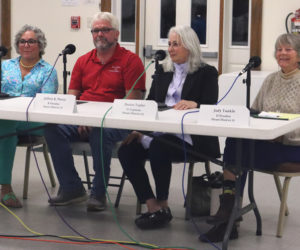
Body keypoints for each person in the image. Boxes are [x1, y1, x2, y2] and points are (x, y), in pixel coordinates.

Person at [118, 25, 220, 229]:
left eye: (176, 44)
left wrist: (196, 104)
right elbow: (150, 103)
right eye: (169, 44)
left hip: (191, 137)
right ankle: (152, 204)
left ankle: (163, 201)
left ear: (189, 46)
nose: (171, 49)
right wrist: (139, 130)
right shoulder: (162, 70)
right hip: (160, 131)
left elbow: (211, 105)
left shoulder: (206, 72)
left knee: (158, 146)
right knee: (126, 150)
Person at [201, 33, 300, 243]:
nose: (282, 53)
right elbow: (255, 111)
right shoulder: (271, 80)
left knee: (238, 155)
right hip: (267, 143)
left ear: (298, 54)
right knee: (236, 141)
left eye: (288, 49)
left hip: (292, 147)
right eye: (279, 49)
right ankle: (229, 213)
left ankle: (228, 216)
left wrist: (283, 133)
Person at [44, 12, 145, 212]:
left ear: (116, 34)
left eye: (105, 30)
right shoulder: (83, 61)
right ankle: (72, 188)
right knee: (52, 128)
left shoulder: (131, 61)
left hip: (117, 121)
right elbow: (72, 99)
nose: (99, 34)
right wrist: (82, 118)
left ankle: (98, 193)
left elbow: (131, 102)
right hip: (84, 119)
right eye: (96, 30)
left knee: (100, 132)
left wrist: (96, 120)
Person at [0, 25, 58, 208]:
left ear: (40, 45)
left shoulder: (48, 71)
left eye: (31, 41)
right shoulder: (5, 66)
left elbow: (46, 105)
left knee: (5, 126)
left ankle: (5, 187)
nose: (26, 45)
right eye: (22, 41)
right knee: (5, 124)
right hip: (5, 117)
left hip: (34, 121)